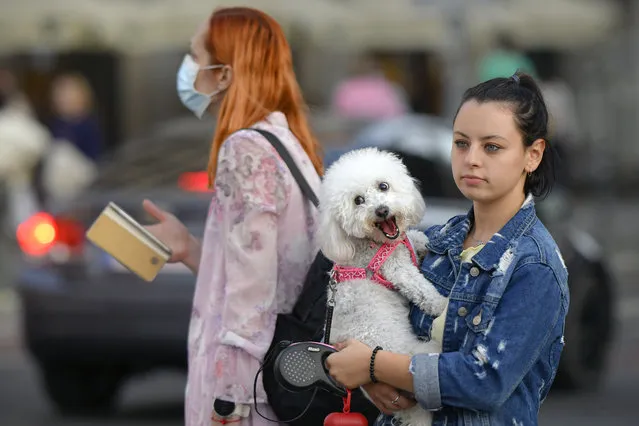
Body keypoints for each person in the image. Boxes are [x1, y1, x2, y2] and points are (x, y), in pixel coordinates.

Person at [325, 72, 569, 426]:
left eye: (492, 147)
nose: (471, 159)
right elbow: (363, 318)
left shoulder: (535, 265)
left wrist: (375, 365)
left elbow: (484, 381)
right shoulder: (436, 242)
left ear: (533, 155)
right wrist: (371, 381)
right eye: (460, 143)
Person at [142, 7, 323, 426]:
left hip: (249, 393)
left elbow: (252, 297)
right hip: (277, 374)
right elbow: (268, 268)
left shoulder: (246, 148)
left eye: (196, 56)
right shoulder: (287, 142)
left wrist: (231, 402)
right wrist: (192, 250)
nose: (189, 69)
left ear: (224, 73)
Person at [49, 73, 104, 162]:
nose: (65, 100)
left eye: (70, 96)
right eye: (61, 96)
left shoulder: (88, 127)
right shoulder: (56, 124)